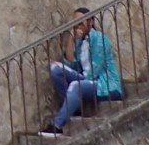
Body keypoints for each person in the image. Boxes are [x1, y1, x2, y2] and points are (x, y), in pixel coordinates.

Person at [40, 8, 123, 136]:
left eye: (80, 22)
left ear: (89, 23)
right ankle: (74, 106)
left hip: (105, 85)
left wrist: (77, 78)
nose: (77, 25)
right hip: (87, 81)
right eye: (75, 22)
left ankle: (57, 126)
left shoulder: (100, 40)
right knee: (55, 69)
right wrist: (71, 39)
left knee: (76, 85)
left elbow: (94, 72)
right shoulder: (80, 42)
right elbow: (70, 63)